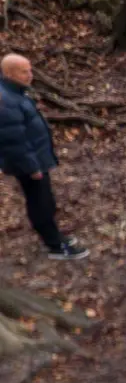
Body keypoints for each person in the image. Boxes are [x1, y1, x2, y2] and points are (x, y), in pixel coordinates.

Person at [0, 54, 86, 260]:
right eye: (24, 72)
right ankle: (55, 246)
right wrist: (32, 167)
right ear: (9, 74)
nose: (30, 75)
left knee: (45, 199)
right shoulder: (5, 101)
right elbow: (14, 141)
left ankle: (54, 236)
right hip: (29, 164)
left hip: (36, 158)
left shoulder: (15, 92)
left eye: (30, 70)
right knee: (40, 202)